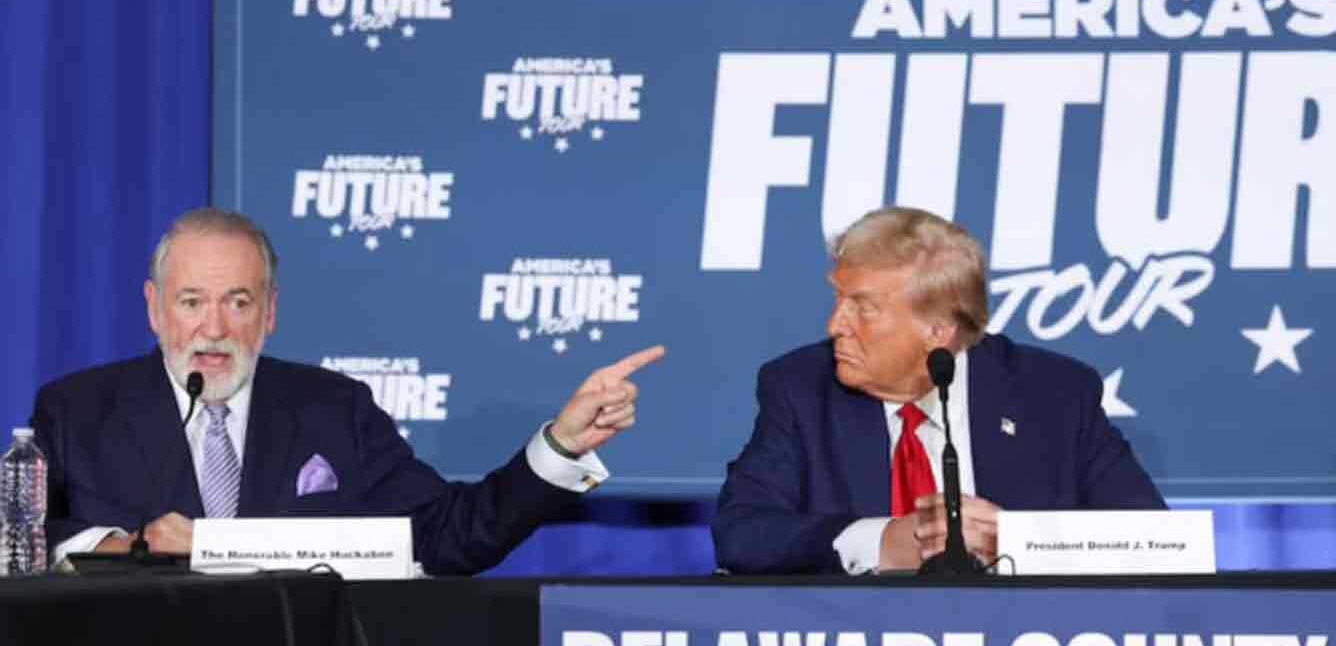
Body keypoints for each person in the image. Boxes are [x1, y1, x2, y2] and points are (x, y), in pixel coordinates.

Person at [31, 207, 664, 575]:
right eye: (192, 302)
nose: (215, 328)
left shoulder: (334, 409)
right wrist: (112, 548)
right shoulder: (78, 411)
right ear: (154, 308)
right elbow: (28, 542)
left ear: (270, 311)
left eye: (238, 301)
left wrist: (560, 444)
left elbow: (447, 536)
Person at [712, 206, 1164, 574]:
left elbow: (1157, 542)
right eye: (838, 299)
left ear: (938, 330)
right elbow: (741, 533)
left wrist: (1018, 543)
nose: (835, 326)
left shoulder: (1055, 395)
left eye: (863, 308)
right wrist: (883, 542)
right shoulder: (801, 387)